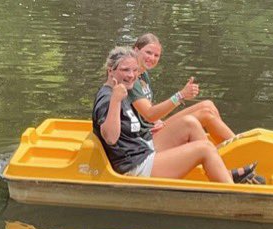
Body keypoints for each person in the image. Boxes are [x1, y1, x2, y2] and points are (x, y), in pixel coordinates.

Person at [92, 46, 258, 183]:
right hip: (135, 166)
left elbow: (134, 124)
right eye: (125, 70)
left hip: (142, 149)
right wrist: (115, 100)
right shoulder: (109, 97)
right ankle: (232, 191)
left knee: (189, 123)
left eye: (135, 70)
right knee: (205, 148)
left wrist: (150, 127)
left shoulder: (121, 89)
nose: (131, 75)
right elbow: (111, 137)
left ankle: (221, 171)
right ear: (110, 71)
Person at [129, 33, 236, 150]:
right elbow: (150, 115)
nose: (152, 58)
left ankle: (233, 147)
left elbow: (146, 111)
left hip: (152, 127)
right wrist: (180, 95)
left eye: (156, 55)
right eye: (148, 52)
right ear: (136, 50)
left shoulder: (143, 74)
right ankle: (234, 151)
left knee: (208, 105)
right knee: (206, 115)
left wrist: (158, 122)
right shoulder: (130, 78)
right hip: (145, 139)